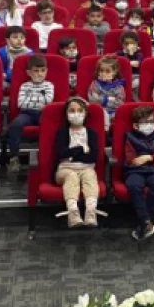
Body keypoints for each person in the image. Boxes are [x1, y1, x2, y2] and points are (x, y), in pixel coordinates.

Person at [124, 105, 154, 241]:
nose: (150, 125)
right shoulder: (130, 138)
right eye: (145, 122)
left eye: (152, 121)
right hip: (135, 171)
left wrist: (148, 158)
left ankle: (145, 222)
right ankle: (145, 221)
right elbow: (131, 160)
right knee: (134, 185)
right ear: (136, 125)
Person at [55, 97, 101, 228]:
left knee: (90, 177)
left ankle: (91, 212)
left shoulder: (91, 133)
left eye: (80, 110)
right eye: (72, 110)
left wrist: (72, 154)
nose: (76, 113)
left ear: (85, 113)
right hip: (65, 169)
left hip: (87, 168)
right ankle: (73, 213)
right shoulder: (63, 132)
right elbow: (61, 153)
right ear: (66, 113)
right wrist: (82, 149)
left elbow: (93, 156)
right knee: (72, 177)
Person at [6, 55, 54, 175]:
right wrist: (39, 101)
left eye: (43, 71)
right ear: (29, 72)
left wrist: (32, 101)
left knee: (49, 125)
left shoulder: (49, 85)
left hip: (44, 113)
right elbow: (21, 103)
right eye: (36, 71)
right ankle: (14, 158)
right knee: (15, 124)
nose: (39, 74)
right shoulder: (25, 86)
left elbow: (48, 101)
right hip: (26, 113)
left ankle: (48, 156)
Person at [87, 56, 126, 130]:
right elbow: (93, 100)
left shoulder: (119, 87)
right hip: (99, 112)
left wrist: (100, 99)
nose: (104, 74)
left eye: (107, 71)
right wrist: (107, 99)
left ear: (114, 73)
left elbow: (120, 103)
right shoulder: (95, 84)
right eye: (101, 71)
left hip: (114, 113)